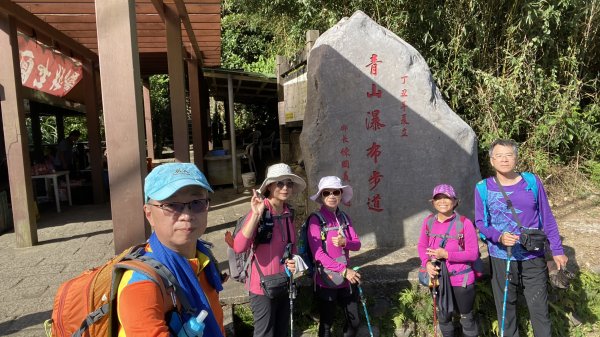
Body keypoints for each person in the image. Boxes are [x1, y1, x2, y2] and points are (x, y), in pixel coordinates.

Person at [117, 163, 225, 337]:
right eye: (172, 205)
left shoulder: (203, 256)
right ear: (149, 214)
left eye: (196, 203)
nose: (187, 215)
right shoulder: (141, 286)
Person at [474, 139, 568, 337]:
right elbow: (481, 223)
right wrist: (498, 236)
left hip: (532, 255)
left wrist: (557, 250)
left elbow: (547, 216)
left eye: (509, 155)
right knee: (506, 311)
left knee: (539, 309)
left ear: (516, 158)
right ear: (491, 161)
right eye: (498, 155)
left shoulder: (531, 182)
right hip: (501, 256)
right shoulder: (483, 187)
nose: (504, 159)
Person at [232, 163, 306, 337]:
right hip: (261, 286)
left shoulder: (288, 213)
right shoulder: (260, 210)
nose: (285, 187)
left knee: (282, 331)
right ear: (270, 186)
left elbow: (292, 246)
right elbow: (239, 246)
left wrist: (294, 260)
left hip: (284, 282)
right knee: (265, 333)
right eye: (280, 183)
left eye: (288, 183)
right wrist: (256, 215)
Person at [417, 184, 479, 337]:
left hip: (461, 279)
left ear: (455, 201)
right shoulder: (429, 222)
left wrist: (446, 254)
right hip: (437, 278)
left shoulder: (464, 223)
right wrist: (427, 263)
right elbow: (422, 245)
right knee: (444, 318)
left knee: (467, 319)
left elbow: (473, 254)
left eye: (447, 197)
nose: (442, 201)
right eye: (438, 198)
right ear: (433, 202)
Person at [307, 176, 362, 337]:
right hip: (326, 279)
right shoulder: (315, 221)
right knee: (326, 325)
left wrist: (346, 242)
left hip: (346, 280)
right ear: (321, 196)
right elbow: (318, 255)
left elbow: (357, 244)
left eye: (335, 192)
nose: (331, 196)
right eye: (326, 193)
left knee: (354, 322)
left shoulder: (344, 218)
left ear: (340, 194)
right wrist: (344, 271)